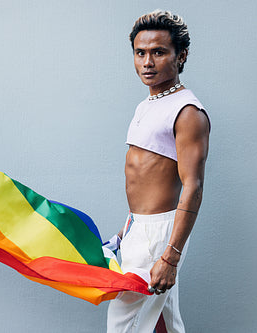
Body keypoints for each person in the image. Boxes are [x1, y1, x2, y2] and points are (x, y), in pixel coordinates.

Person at [106, 10, 210, 333]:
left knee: (123, 324)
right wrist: (127, 230)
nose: (147, 62)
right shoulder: (146, 105)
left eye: (158, 52)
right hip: (139, 227)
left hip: (161, 233)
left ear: (181, 56)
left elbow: (192, 186)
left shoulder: (187, 112)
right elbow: (144, 178)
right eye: (140, 53)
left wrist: (171, 257)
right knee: (163, 321)